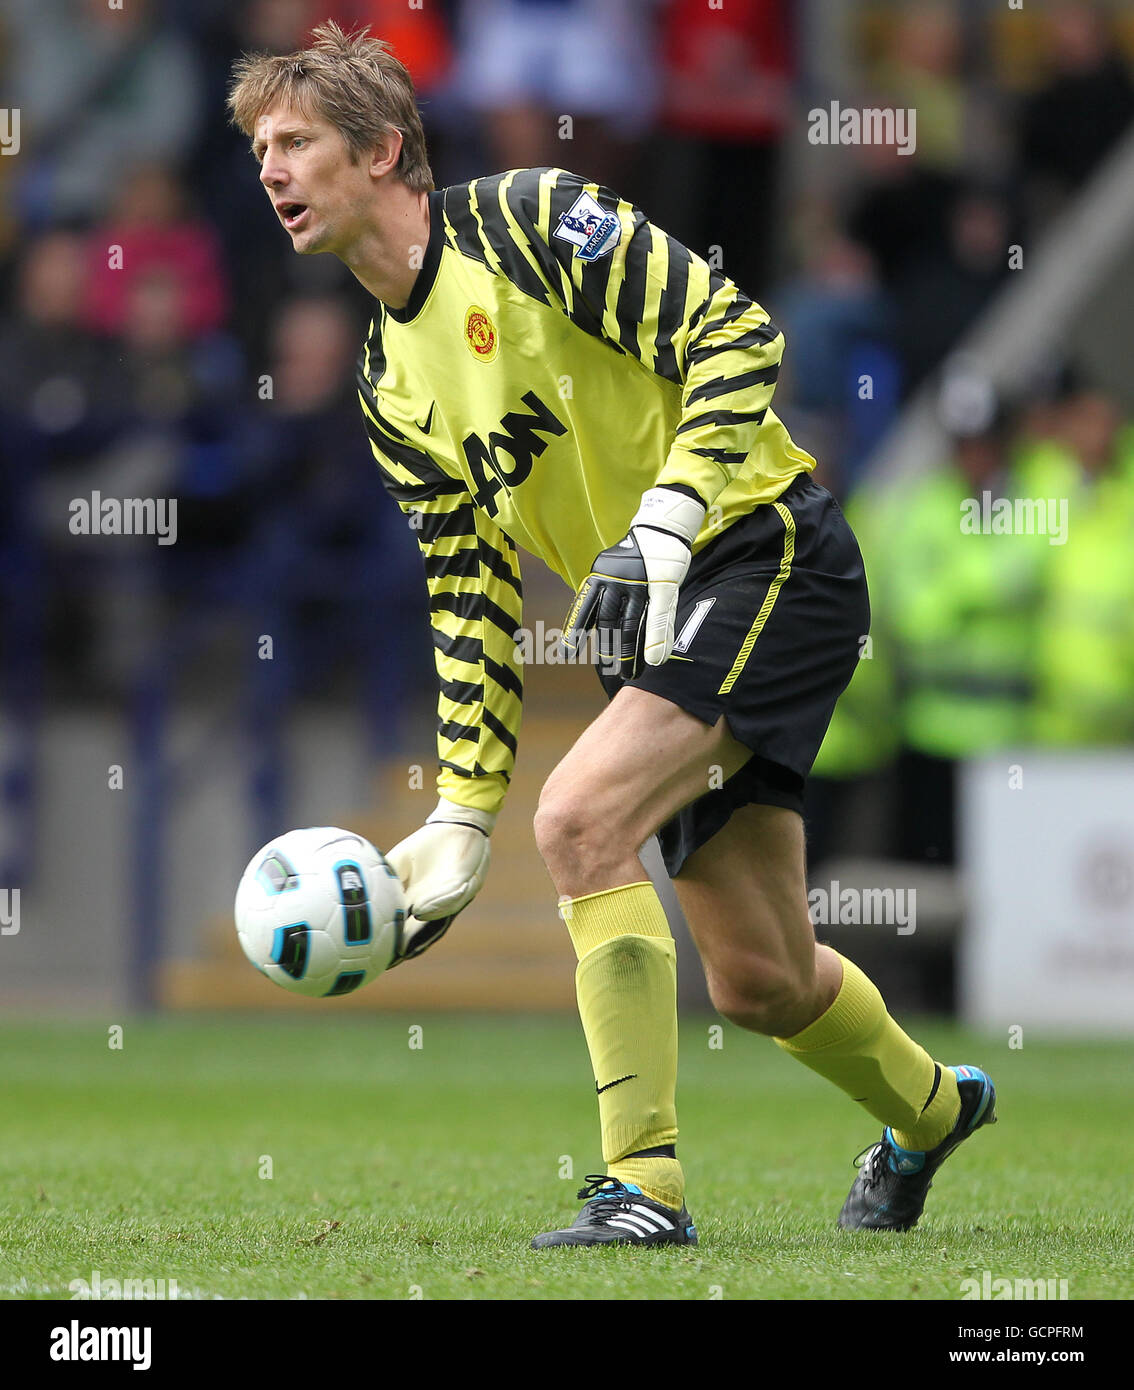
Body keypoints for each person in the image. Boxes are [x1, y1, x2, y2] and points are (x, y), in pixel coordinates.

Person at [227, 21, 996, 1247]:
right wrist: (460, 814)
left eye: (296, 142)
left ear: (380, 152)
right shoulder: (385, 383)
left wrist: (670, 526)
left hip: (757, 547)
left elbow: (737, 338)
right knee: (761, 980)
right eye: (259, 147)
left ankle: (644, 1187)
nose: (269, 170)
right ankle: (935, 1109)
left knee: (580, 819)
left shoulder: (527, 221)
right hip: (656, 609)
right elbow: (466, 595)